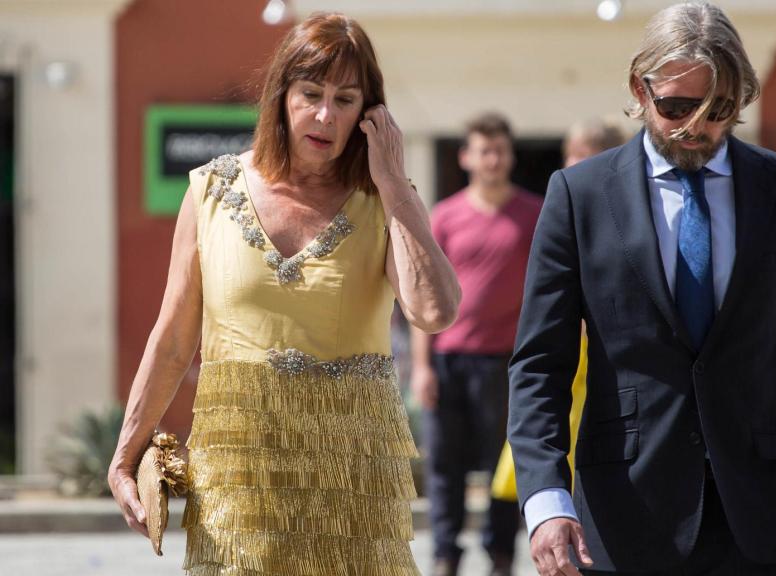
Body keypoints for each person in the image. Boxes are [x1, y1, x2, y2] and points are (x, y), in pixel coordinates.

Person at [508, 2, 776, 575]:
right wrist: (546, 499)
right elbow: (539, 364)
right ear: (639, 88)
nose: (695, 127)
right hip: (622, 520)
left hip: (766, 520)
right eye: (675, 107)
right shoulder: (579, 195)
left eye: (718, 109)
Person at [106, 13, 460, 576]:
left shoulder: (385, 201)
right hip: (237, 482)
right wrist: (126, 456)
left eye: (346, 100)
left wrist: (393, 181)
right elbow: (172, 337)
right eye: (311, 94)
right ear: (281, 96)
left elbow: (434, 311)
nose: (325, 115)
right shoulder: (210, 191)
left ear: (369, 113)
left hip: (353, 487)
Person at [409, 112, 542, 576]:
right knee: (445, 466)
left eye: (500, 150)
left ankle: (501, 556)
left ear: (510, 156)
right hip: (449, 360)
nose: (492, 159)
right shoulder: (444, 217)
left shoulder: (534, 214)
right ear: (466, 157)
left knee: (504, 464)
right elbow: (425, 296)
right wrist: (422, 367)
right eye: (484, 151)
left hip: (508, 362)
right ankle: (445, 555)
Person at [491, 117, 628, 503]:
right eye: (573, 154)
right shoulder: (564, 203)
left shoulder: (623, 210)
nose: (576, 164)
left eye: (588, 155)